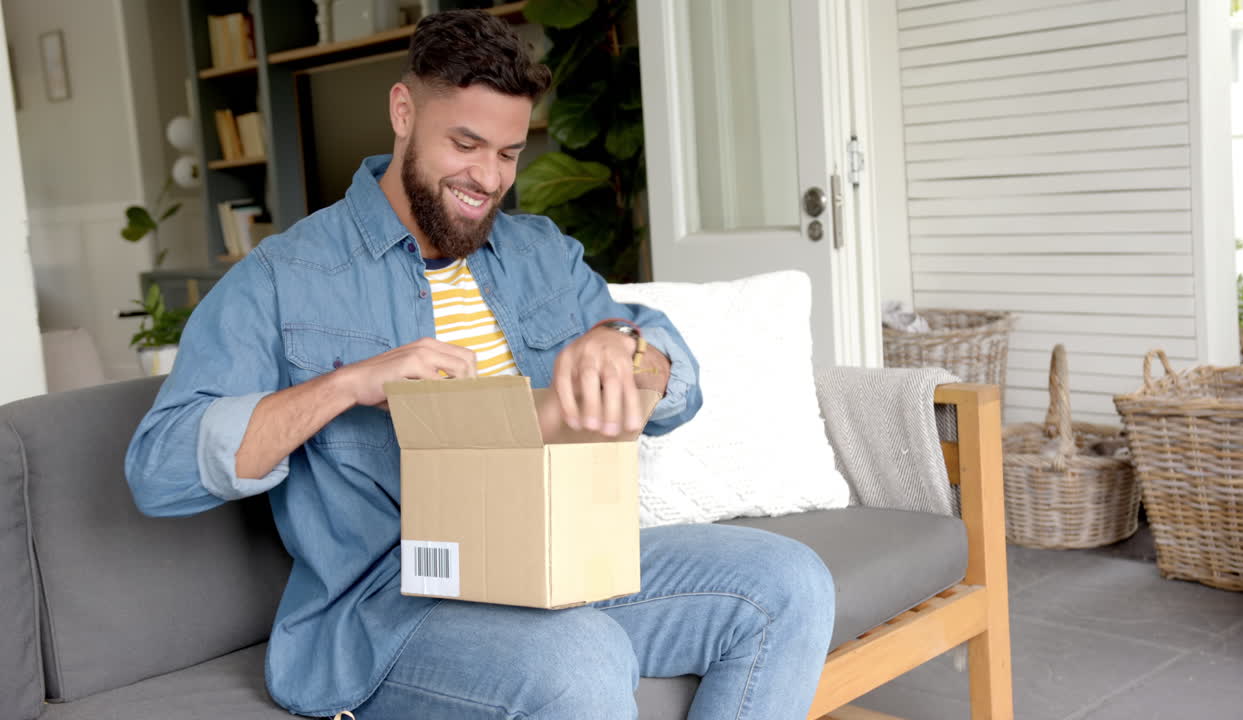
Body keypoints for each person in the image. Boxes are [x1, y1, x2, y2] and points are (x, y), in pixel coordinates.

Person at [126, 10, 834, 719]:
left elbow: (677, 389)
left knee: (789, 581)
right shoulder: (284, 276)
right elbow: (159, 470)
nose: (488, 178)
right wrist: (347, 385)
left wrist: (626, 346)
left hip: (558, 564)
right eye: (465, 144)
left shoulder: (539, 252)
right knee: (581, 657)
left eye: (508, 152)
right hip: (392, 608)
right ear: (403, 112)